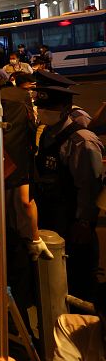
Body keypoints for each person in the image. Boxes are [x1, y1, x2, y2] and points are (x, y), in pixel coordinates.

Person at [34, 85, 104, 299]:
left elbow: (90, 186)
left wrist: (84, 222)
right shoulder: (48, 133)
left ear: (65, 108)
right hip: (54, 217)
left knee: (80, 280)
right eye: (42, 107)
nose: (43, 112)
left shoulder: (82, 141)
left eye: (50, 107)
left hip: (74, 222)